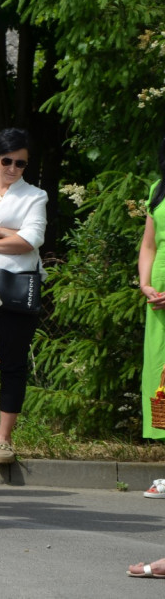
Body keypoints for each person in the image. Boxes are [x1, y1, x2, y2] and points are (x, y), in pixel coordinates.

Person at [0, 128, 48, 465]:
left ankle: (3, 440)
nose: (12, 168)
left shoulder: (35, 196)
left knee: (13, 363)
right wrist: (9, 233)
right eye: (7, 160)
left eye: (20, 163)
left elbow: (31, 240)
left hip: (18, 287)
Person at [138, 135, 165, 495]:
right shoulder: (158, 188)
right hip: (158, 302)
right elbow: (149, 243)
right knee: (160, 379)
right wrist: (144, 282)